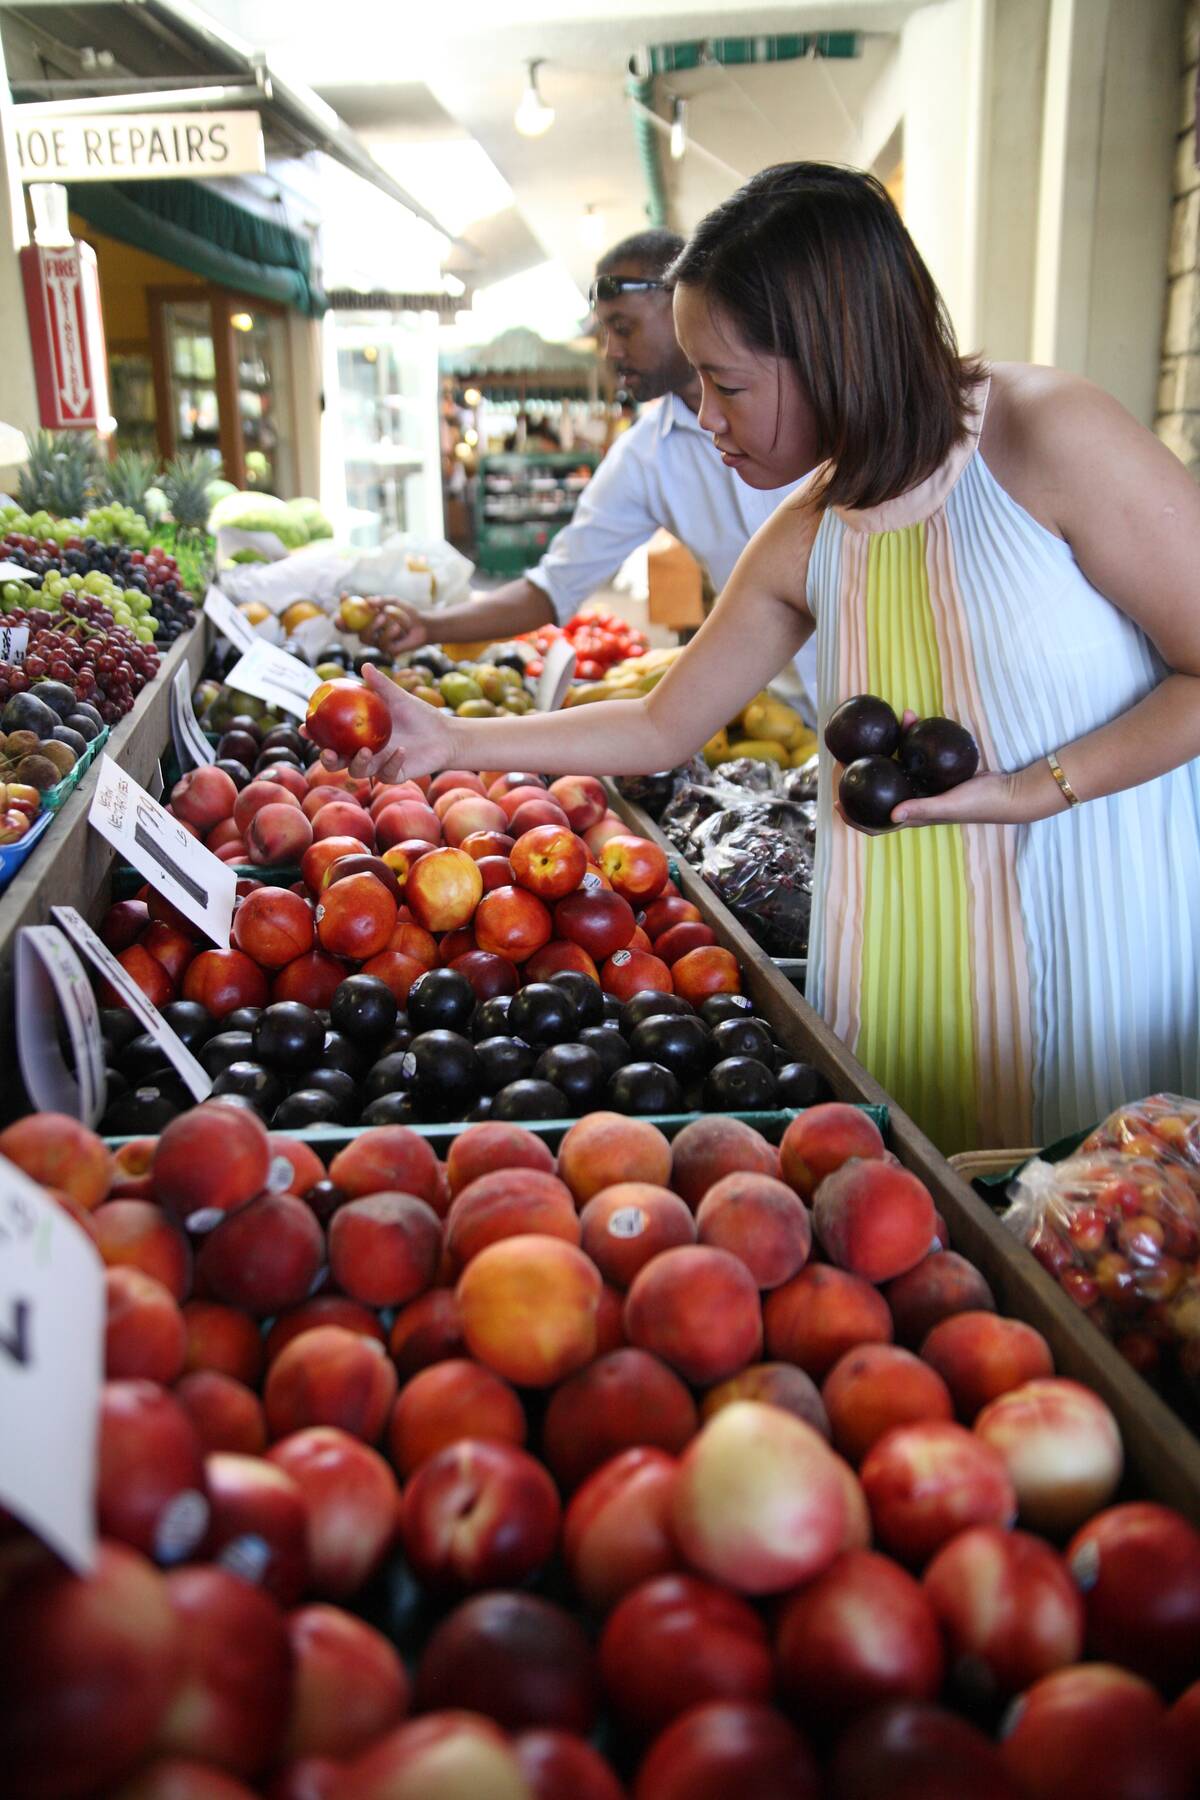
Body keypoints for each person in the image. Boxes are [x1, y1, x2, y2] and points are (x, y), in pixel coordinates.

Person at [335, 162, 1200, 1156]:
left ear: (832, 351)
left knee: (1102, 1234)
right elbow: (665, 721)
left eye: (727, 383)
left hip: (1093, 935)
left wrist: (1035, 789)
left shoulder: (1050, 437)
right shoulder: (812, 528)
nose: (706, 418)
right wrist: (448, 738)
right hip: (907, 956)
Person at [362, 227, 816, 712]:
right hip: (781, 705)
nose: (611, 351)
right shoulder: (646, 456)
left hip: (886, 693)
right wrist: (431, 626)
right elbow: (556, 585)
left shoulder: (811, 410)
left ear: (683, 301)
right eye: (604, 331)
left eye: (623, 327)